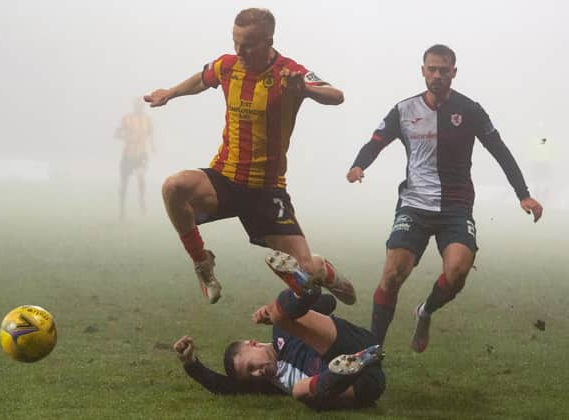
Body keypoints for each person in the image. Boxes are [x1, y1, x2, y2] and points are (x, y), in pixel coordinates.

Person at [143, 8, 353, 305]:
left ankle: (324, 271)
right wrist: (170, 92)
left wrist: (304, 90)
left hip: (266, 191)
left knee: (305, 270)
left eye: (249, 44)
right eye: (235, 41)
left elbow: (336, 95)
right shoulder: (228, 66)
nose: (239, 50)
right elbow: (202, 79)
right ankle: (203, 264)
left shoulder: (288, 71)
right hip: (225, 178)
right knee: (173, 187)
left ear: (269, 41)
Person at [346, 44, 544, 352]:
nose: (437, 75)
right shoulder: (404, 110)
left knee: (456, 273)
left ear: (454, 72)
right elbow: (376, 141)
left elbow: (500, 151)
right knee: (393, 273)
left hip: (456, 205)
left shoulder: (470, 110)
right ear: (422, 71)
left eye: (443, 70)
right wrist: (359, 165)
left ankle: (425, 311)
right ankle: (372, 352)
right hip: (414, 203)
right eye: (431, 69)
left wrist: (524, 195)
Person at [173, 250, 385, 410]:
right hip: (366, 385)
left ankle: (304, 290)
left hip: (347, 343)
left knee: (278, 317)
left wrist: (274, 316)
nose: (257, 373)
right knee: (298, 390)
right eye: (252, 376)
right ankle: (342, 371)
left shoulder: (281, 333)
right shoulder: (271, 383)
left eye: (251, 366)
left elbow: (329, 303)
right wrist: (190, 363)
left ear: (253, 343)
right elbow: (224, 386)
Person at [114, 99, 154, 219]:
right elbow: (117, 134)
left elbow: (150, 134)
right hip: (128, 155)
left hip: (141, 154)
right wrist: (126, 137)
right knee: (124, 183)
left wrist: (153, 147)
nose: (140, 108)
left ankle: (142, 204)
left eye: (141, 106)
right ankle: (122, 210)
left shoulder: (147, 120)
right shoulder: (127, 119)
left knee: (141, 178)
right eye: (138, 106)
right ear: (134, 106)